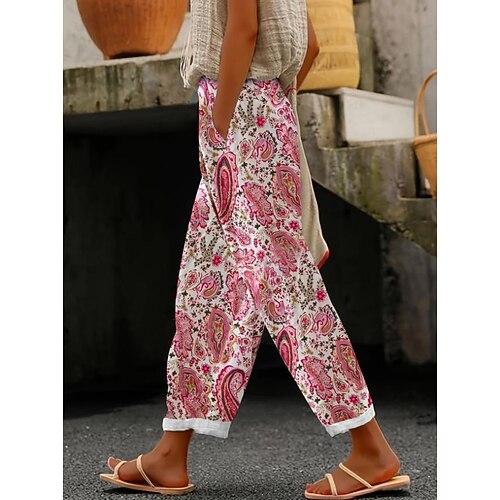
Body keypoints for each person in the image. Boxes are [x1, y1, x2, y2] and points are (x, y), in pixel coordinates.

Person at [99, 1, 411, 498]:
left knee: (286, 289)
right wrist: (269, 107)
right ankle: (170, 452)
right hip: (260, 111)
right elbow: (309, 44)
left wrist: (221, 124)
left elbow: (243, 29)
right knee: (206, 286)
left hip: (238, 119)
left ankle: (371, 448)